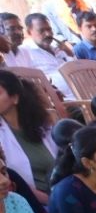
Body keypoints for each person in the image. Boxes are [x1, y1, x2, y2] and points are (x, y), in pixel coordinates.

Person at [0, 69, 58, 202]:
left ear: (15, 97)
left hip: (61, 193)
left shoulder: (42, 125)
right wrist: (51, 201)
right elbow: (14, 182)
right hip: (30, 201)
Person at [17, 14, 72, 94]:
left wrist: (69, 53)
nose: (48, 34)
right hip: (59, 101)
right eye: (41, 30)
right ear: (29, 32)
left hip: (81, 93)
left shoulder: (58, 47)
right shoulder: (25, 52)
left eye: (49, 29)